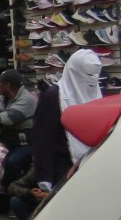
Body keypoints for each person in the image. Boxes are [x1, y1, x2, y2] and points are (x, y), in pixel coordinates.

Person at [30, 49, 102, 196]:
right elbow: (43, 138)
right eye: (88, 75)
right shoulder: (53, 96)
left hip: (93, 166)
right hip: (63, 169)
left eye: (95, 75)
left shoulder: (96, 92)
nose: (92, 79)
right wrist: (45, 178)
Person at [0, 70, 37, 187]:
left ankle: (11, 189)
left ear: (7, 85)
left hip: (26, 143)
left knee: (11, 162)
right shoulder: (0, 99)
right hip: (7, 139)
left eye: (0, 83)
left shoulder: (27, 99)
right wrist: (0, 117)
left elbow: (7, 120)